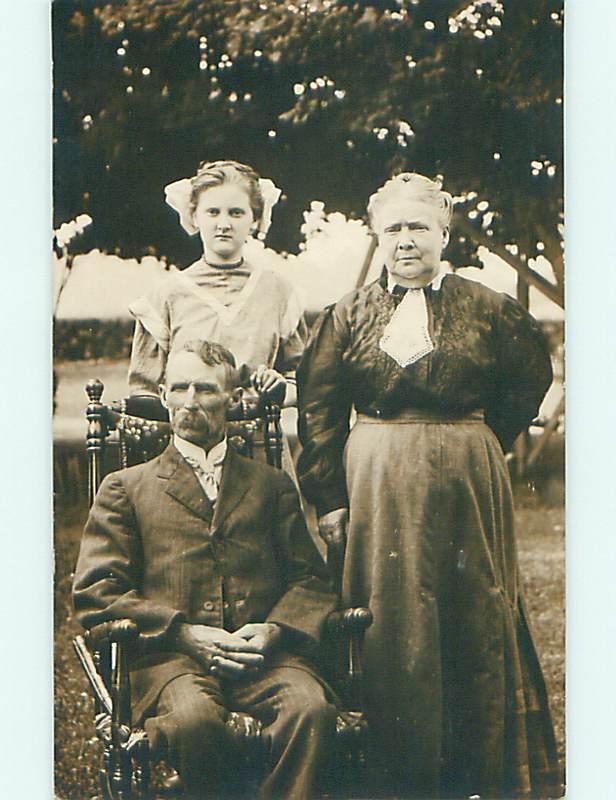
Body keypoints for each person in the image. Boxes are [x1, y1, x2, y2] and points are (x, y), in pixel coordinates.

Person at [296, 173, 561, 799]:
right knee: (390, 620)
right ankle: (394, 772)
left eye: (419, 227)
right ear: (377, 237)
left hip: (468, 476)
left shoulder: (490, 307)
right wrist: (331, 499)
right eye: (394, 229)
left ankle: (476, 769)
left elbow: (529, 378)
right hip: (378, 480)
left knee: (473, 614)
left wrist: (476, 438)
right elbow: (319, 411)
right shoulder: (348, 313)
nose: (406, 241)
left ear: (444, 234)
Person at [73, 340, 337, 800]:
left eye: (206, 389)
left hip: (262, 660)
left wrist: (274, 630)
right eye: (179, 388)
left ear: (232, 400)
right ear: (163, 394)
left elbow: (310, 578)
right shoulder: (127, 489)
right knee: (193, 720)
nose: (190, 402)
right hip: (172, 662)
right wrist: (184, 633)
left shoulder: (269, 486)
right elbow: (98, 592)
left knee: (309, 709)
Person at [128, 160, 306, 408]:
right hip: (189, 437)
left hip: (259, 442)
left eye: (236, 213)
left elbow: (303, 382)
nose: (224, 224)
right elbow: (144, 394)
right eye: (212, 212)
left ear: (255, 219)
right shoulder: (166, 296)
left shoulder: (278, 292)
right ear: (194, 217)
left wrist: (278, 389)